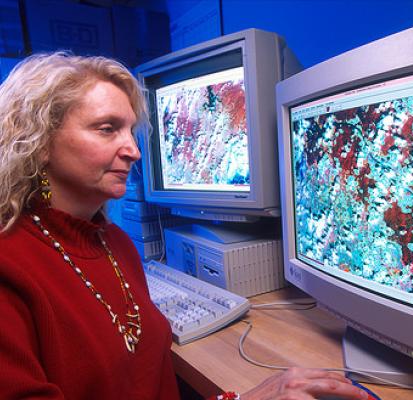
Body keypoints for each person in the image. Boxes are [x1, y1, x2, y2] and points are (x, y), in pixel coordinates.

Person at [0, 52, 370, 400]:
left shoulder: (116, 245)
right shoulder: (10, 268)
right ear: (39, 142)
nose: (134, 150)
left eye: (131, 131)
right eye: (107, 129)